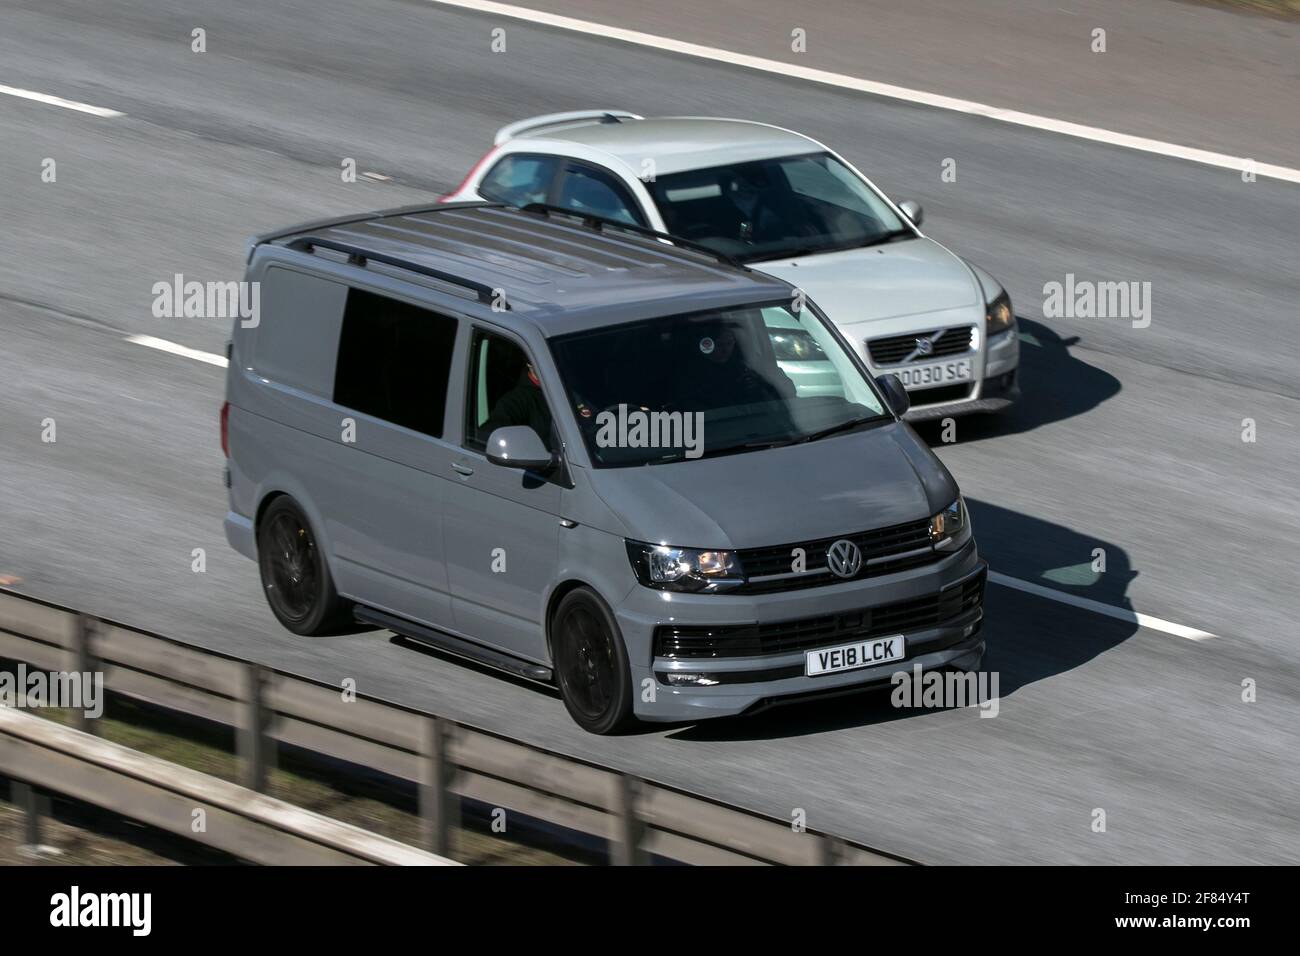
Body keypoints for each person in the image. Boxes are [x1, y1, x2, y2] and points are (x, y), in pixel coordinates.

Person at [482, 362, 553, 446]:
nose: (554, 365)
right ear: (529, 364)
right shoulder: (517, 400)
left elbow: (565, 444)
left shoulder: (567, 391)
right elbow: (491, 437)